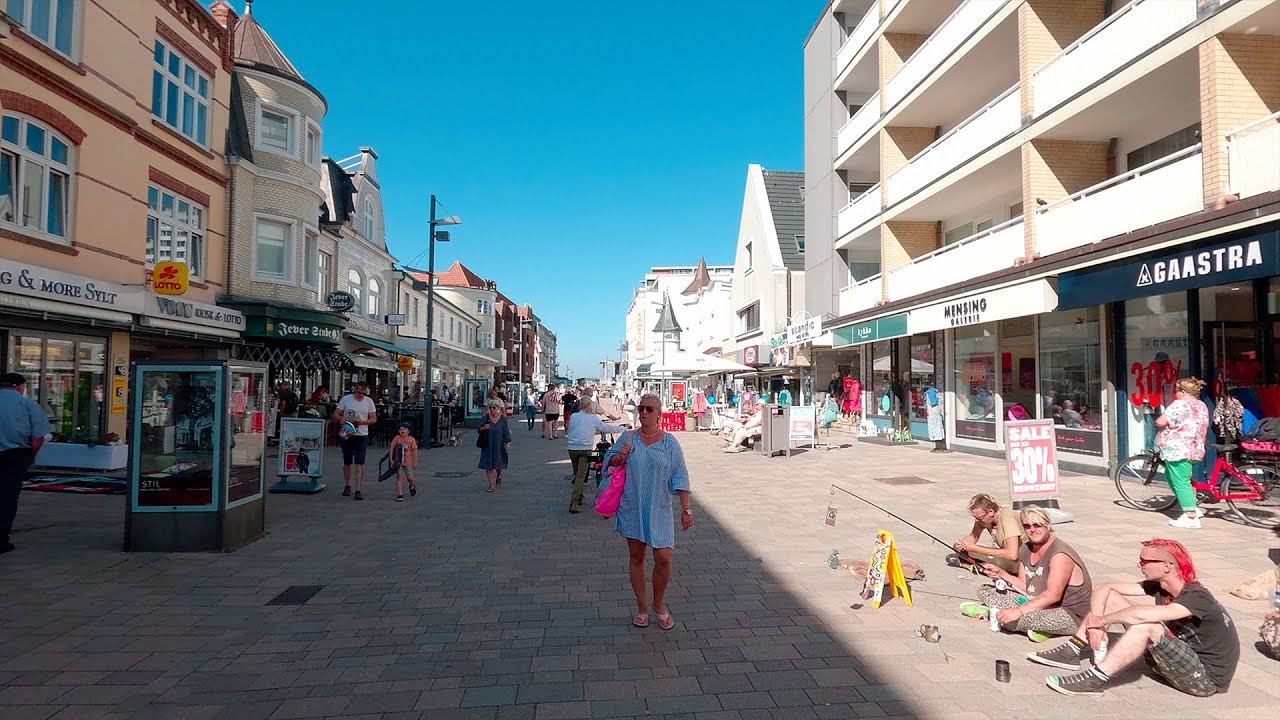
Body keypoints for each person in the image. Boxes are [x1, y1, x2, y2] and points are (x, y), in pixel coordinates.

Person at [1030, 539, 1239, 697]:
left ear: (1167, 566)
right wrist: (1096, 624)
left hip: (1204, 678)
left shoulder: (1197, 597)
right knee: (1111, 598)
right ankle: (1072, 650)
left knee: (1146, 626)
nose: (1140, 565)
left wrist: (1101, 621)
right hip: (1174, 663)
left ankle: (1094, 680)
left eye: (1144, 561)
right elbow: (1105, 588)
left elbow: (1143, 614)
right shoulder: (1161, 586)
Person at [602, 394, 692, 630]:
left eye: (649, 409)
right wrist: (619, 457)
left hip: (659, 508)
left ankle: (658, 604)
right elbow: (608, 460)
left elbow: (680, 475)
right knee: (637, 557)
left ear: (659, 413)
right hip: (632, 505)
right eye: (641, 408)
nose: (643, 412)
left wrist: (686, 509)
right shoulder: (629, 436)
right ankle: (642, 607)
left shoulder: (669, 443)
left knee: (664, 558)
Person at [965, 506, 1093, 642]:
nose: (1032, 530)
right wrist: (1001, 573)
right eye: (1027, 526)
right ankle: (1006, 616)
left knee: (1020, 618)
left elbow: (1052, 596)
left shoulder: (1059, 554)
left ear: (1048, 526)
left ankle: (993, 613)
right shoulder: (1026, 549)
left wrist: (1018, 611)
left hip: (1068, 613)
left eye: (1037, 525)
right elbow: (1025, 586)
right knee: (985, 591)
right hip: (1037, 601)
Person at [0, 373, 51, 555]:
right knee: (6, 497)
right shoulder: (27, 404)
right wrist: (29, 457)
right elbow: (38, 437)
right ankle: (1, 540)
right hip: (15, 455)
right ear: (20, 387)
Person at [1157, 377, 1210, 528]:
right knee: (1171, 476)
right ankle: (1191, 506)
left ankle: (1191, 517)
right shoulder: (1201, 405)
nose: (1175, 393)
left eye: (1176, 390)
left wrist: (1159, 421)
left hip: (1178, 448)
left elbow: (1161, 421)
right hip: (1195, 448)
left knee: (1181, 481)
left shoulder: (1178, 405)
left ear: (1183, 392)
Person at [566, 397, 628, 514]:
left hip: (572, 448)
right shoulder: (593, 418)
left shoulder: (574, 416)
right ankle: (574, 502)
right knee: (581, 476)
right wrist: (623, 429)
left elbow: (570, 429)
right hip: (585, 448)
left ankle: (579, 496)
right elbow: (607, 428)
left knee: (577, 473)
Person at [949, 493, 1026, 575]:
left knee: (998, 562)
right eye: (976, 518)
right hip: (1005, 553)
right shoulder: (984, 519)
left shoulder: (1007, 518)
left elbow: (1012, 554)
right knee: (960, 550)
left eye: (980, 518)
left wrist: (975, 548)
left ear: (991, 512)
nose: (977, 521)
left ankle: (977, 567)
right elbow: (973, 537)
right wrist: (962, 545)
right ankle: (979, 566)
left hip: (1023, 559)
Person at [333, 382, 377, 500]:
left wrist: (362, 422)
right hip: (347, 432)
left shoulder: (369, 402)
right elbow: (335, 414)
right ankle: (347, 484)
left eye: (364, 394)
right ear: (355, 390)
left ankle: (358, 488)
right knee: (347, 461)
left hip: (361, 434)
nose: (361, 396)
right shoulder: (346, 399)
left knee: (359, 462)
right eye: (359, 393)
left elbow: (373, 419)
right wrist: (341, 418)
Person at [477, 399, 511, 492]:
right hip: (487, 444)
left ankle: (499, 474)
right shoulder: (486, 418)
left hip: (499, 444)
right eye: (490, 408)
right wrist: (484, 427)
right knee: (488, 465)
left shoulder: (503, 418)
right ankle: (491, 485)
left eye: (494, 408)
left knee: (498, 464)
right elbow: (479, 429)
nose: (492, 410)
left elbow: (506, 431)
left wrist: (507, 442)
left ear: (498, 408)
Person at [388, 422, 418, 502]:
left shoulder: (412, 440)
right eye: (401, 429)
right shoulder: (397, 438)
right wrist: (391, 459)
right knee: (399, 477)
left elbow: (415, 451)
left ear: (408, 431)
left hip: (408, 463)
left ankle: (412, 486)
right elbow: (391, 448)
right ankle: (400, 494)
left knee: (410, 478)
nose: (402, 431)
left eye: (404, 429)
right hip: (398, 462)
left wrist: (415, 462)